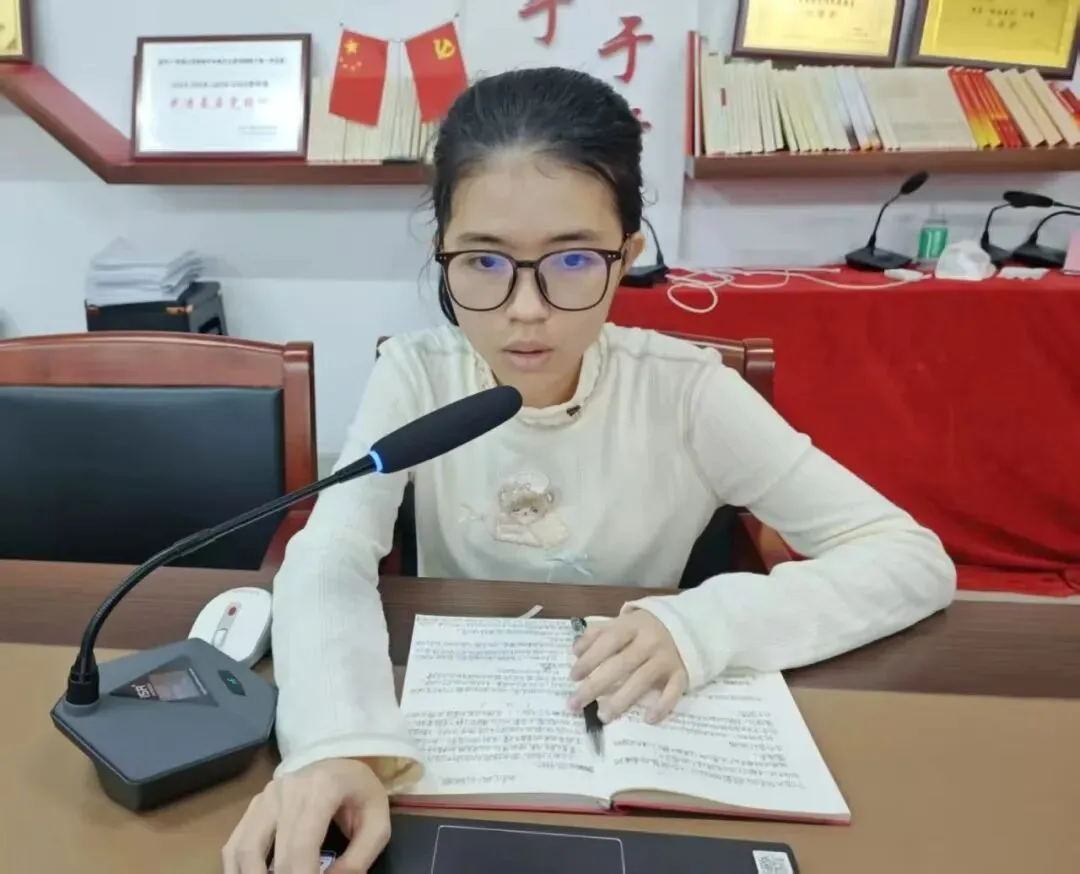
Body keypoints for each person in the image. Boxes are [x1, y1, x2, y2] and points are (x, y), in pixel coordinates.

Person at [223, 67, 956, 873]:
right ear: (442, 253)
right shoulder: (417, 375)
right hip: (467, 747)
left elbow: (909, 558)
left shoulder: (687, 392)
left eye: (572, 259)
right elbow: (331, 552)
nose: (525, 309)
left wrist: (706, 625)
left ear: (626, 254)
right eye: (483, 261)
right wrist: (334, 740)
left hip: (648, 744)